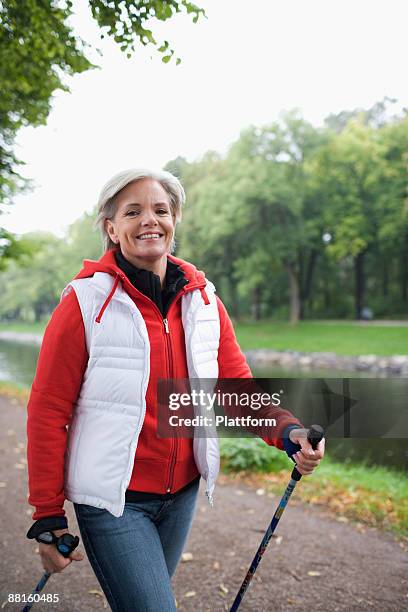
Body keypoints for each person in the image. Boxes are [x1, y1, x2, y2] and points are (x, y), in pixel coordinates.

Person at [26, 168, 325, 611]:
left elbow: (234, 386)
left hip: (180, 497)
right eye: (133, 212)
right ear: (112, 228)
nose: (150, 220)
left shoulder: (205, 302)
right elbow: (49, 412)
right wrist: (48, 517)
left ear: (175, 219)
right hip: (114, 503)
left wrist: (287, 431)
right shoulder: (84, 302)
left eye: (160, 210)